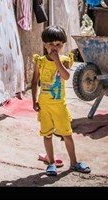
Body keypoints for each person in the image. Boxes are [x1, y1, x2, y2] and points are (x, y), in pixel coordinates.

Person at [31, 25, 91, 176]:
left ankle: (74, 163)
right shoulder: (40, 61)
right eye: (51, 44)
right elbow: (34, 82)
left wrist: (57, 60)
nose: (54, 48)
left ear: (62, 46)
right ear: (45, 44)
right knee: (47, 134)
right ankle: (51, 163)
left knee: (67, 134)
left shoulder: (64, 60)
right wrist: (34, 101)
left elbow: (65, 76)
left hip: (60, 105)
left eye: (58, 45)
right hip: (44, 105)